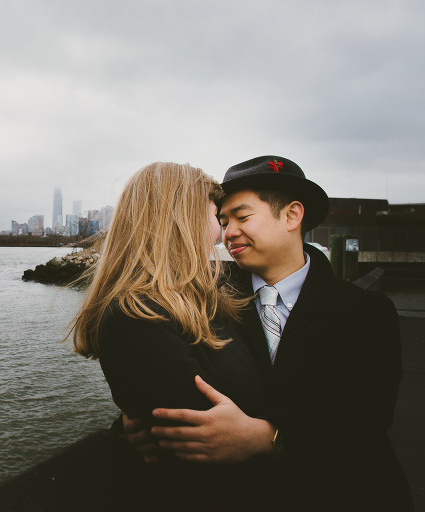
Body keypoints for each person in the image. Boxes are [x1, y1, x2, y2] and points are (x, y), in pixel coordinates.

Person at [124, 156, 413, 510]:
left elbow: (369, 415)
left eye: (242, 217)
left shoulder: (365, 311)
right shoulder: (205, 298)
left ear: (292, 215)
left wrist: (266, 437)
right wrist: (137, 422)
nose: (228, 232)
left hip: (342, 492)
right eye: (222, 220)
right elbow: (173, 373)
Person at [70, 162, 273, 509]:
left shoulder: (201, 303)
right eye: (217, 218)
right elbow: (205, 436)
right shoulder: (137, 317)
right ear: (182, 217)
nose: (220, 233)